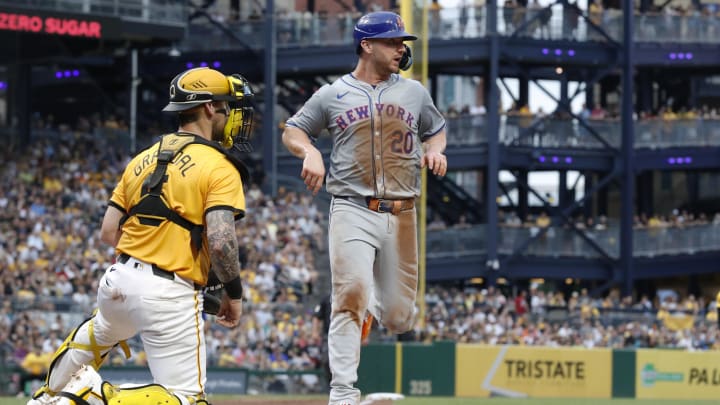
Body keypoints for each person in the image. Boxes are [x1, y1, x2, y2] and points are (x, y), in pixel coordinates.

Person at [28, 67, 254, 405]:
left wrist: (148, 255)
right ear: (209, 107)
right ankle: (93, 396)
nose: (229, 115)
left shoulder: (143, 158)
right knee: (188, 399)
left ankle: (48, 396)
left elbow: (108, 232)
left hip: (118, 281)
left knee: (102, 330)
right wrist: (233, 294)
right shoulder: (219, 165)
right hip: (167, 290)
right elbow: (221, 241)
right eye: (225, 107)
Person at [281, 11, 447, 405]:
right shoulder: (332, 94)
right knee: (348, 295)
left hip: (402, 212)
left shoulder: (414, 92)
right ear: (366, 45)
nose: (400, 48)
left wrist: (436, 150)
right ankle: (342, 393)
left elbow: (436, 129)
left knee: (398, 317)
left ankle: (373, 306)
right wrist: (310, 152)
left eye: (401, 42)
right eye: (392, 41)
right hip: (352, 205)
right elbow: (293, 129)